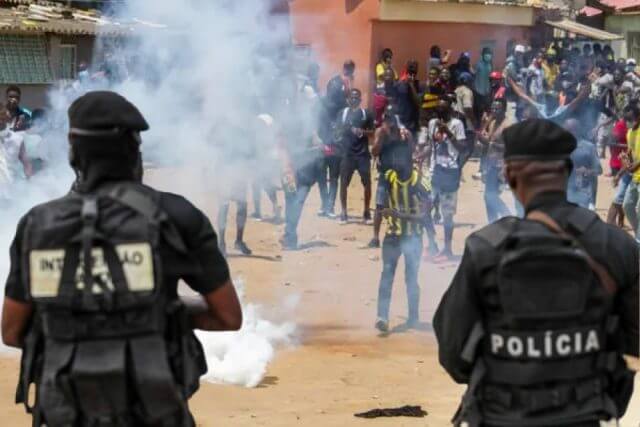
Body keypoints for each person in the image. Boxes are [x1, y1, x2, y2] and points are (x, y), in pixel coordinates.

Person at [1, 91, 243, 426]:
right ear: (134, 151)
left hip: (65, 411)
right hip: (154, 409)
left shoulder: (37, 225)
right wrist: (156, 309)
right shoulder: (177, 216)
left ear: (73, 152)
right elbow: (227, 315)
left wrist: (80, 313)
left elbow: (12, 331)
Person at [434, 118, 639, 427]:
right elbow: (635, 341)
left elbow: (453, 354)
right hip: (581, 418)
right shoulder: (616, 245)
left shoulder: (486, 248)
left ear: (509, 175)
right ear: (567, 171)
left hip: (502, 418)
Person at [374, 149, 430, 333]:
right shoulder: (388, 177)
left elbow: (424, 216)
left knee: (411, 278)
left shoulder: (420, 181)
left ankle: (413, 317)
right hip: (392, 235)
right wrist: (379, 224)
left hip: (413, 237)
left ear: (408, 162)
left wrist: (398, 215)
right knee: (387, 273)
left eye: (398, 159)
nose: (395, 163)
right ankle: (382, 317)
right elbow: (380, 205)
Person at [369, 105, 414, 248]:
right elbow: (374, 152)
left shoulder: (404, 133)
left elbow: (411, 153)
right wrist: (381, 138)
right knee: (379, 205)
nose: (389, 121)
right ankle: (375, 238)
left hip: (401, 175)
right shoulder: (381, 132)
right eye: (387, 118)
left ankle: (404, 235)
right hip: (385, 174)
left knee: (403, 205)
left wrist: (408, 139)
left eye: (391, 118)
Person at [429, 98, 466, 260]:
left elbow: (462, 148)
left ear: (450, 109)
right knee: (425, 209)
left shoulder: (457, 124)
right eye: (438, 108)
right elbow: (431, 146)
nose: (440, 111)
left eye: (443, 108)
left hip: (451, 172)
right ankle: (432, 245)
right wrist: (421, 155)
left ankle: (448, 249)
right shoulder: (432, 123)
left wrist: (448, 132)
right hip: (436, 170)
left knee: (447, 214)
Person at [337, 88, 375, 224]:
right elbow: (337, 130)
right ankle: (344, 212)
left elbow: (373, 132)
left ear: (360, 99)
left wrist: (362, 132)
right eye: (351, 97)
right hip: (347, 154)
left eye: (356, 97)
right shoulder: (342, 113)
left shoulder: (366, 114)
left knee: (367, 183)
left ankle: (366, 212)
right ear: (348, 99)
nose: (354, 99)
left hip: (363, 154)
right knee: (343, 183)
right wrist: (347, 128)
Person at [477, 98, 512, 222]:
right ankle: (492, 223)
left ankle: (507, 216)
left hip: (501, 165)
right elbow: (489, 142)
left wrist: (491, 144)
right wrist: (482, 139)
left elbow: (511, 147)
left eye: (497, 109)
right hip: (490, 164)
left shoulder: (508, 126)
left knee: (490, 196)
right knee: (488, 197)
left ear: (504, 109)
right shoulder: (493, 123)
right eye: (493, 108)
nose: (494, 111)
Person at [565, 118, 602, 208]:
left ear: (576, 130)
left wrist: (587, 171)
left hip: (584, 194)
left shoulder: (588, 147)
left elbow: (599, 170)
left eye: (569, 130)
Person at [622, 103, 640, 242]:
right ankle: (638, 233)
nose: (628, 122)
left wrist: (634, 165)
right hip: (635, 178)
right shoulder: (629, 133)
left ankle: (638, 240)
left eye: (630, 119)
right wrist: (625, 157)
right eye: (626, 119)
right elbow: (630, 150)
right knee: (627, 206)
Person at [607, 117, 630, 227]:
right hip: (619, 164)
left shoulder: (625, 125)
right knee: (620, 194)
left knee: (621, 194)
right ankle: (615, 220)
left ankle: (619, 218)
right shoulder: (621, 125)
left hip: (622, 164)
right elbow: (612, 142)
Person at [473, 47, 493, 121]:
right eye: (486, 53)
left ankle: (485, 122)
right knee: (479, 108)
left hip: (487, 90)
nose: (488, 55)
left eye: (489, 53)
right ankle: (478, 121)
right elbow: (474, 74)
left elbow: (490, 77)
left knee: (487, 108)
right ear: (483, 54)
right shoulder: (479, 64)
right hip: (478, 91)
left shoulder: (490, 64)